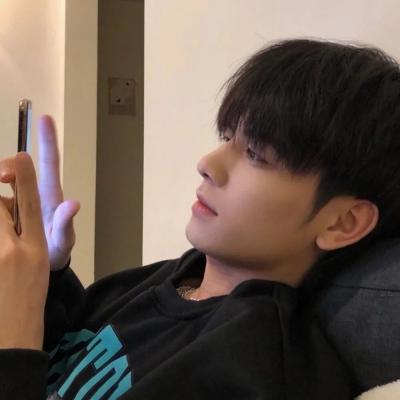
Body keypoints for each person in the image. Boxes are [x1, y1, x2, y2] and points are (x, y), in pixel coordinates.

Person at [0, 36, 399, 399]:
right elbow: (58, 352)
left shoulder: (261, 369)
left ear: (342, 223)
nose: (207, 164)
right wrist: (46, 274)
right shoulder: (160, 281)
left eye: (256, 154)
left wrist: (13, 336)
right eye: (226, 137)